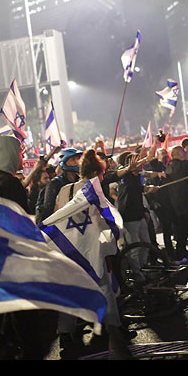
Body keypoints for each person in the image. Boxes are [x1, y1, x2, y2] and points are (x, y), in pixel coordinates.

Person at [0, 136, 57, 358]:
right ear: (6, 155)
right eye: (18, 153)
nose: (21, 157)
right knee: (28, 321)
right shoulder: (8, 183)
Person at [53, 149, 132, 359]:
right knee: (104, 288)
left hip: (70, 249)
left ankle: (66, 334)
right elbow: (105, 219)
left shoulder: (65, 190)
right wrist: (116, 233)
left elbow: (56, 216)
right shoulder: (94, 191)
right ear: (97, 173)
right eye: (103, 173)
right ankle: (114, 327)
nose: (104, 177)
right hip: (91, 250)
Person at [36, 147, 82, 223]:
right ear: (64, 161)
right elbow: (48, 209)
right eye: (73, 159)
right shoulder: (55, 183)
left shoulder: (80, 181)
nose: (77, 162)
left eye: (78, 159)